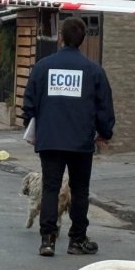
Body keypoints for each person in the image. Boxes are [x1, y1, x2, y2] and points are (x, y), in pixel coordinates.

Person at [22, 17, 114, 257]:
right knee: (80, 189)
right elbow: (104, 106)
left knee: (51, 188)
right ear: (82, 40)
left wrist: (31, 125)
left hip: (50, 139)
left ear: (60, 37)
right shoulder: (94, 71)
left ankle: (47, 240)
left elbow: (29, 102)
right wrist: (105, 132)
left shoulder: (43, 67)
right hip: (81, 141)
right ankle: (77, 240)